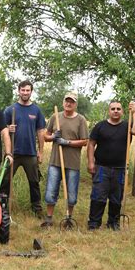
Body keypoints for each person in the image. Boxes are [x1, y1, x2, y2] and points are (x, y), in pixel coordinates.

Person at [87, 100, 135, 231]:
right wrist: (90, 162)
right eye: (113, 109)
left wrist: (134, 111)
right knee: (98, 196)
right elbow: (91, 144)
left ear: (122, 111)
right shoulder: (100, 126)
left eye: (118, 109)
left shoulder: (127, 126)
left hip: (120, 169)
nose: (116, 111)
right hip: (101, 168)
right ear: (109, 111)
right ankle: (94, 224)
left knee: (116, 198)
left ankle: (113, 223)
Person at [41, 92, 88, 228]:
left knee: (71, 193)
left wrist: (67, 142)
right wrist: (54, 137)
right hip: (55, 162)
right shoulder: (55, 117)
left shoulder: (80, 120)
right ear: (63, 102)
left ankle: (68, 218)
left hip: (73, 163)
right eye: (66, 101)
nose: (68, 104)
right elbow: (45, 136)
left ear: (75, 104)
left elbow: (85, 141)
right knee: (51, 191)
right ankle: (49, 218)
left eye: (71, 102)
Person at [0, 80, 46, 216]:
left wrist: (41, 152)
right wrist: (8, 128)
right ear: (18, 91)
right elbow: (1, 129)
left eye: (28, 90)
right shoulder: (10, 110)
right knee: (5, 181)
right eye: (23, 90)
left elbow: (40, 132)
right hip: (12, 153)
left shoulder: (36, 110)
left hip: (30, 152)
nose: (25, 92)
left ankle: (36, 209)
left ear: (31, 92)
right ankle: (3, 207)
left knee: (34, 182)